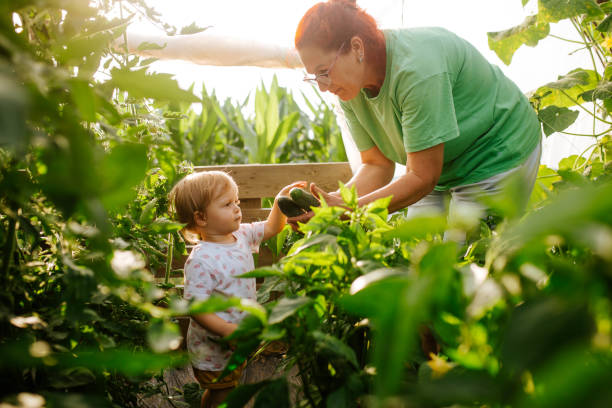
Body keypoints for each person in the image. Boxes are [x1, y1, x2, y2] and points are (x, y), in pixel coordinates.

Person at [290, 0, 542, 229]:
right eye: (314, 77)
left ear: (356, 47)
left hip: (494, 151)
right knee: (417, 256)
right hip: (437, 167)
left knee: (464, 265)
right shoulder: (348, 89)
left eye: (324, 71)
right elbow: (376, 165)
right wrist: (334, 203)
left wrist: (350, 211)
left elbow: (423, 177)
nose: (323, 86)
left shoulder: (415, 72)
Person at [169, 170, 305, 408]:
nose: (237, 208)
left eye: (237, 201)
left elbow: (271, 228)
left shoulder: (240, 235)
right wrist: (227, 330)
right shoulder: (201, 260)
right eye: (227, 204)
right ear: (201, 218)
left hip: (237, 341)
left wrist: (279, 203)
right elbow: (196, 306)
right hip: (215, 348)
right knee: (222, 392)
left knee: (229, 387)